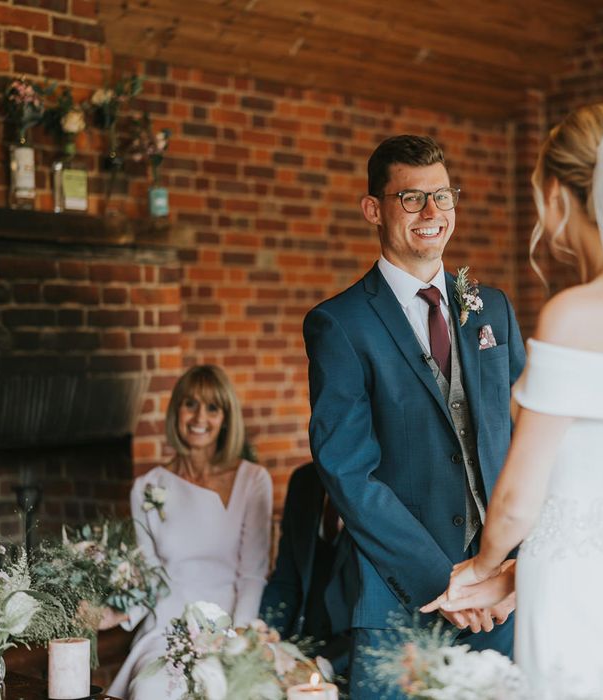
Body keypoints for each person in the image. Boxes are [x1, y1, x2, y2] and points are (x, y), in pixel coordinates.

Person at [423, 103, 603, 699]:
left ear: (557, 194)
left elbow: (520, 499)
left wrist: (482, 566)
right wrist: (515, 576)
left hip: (577, 591)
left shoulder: (574, 316)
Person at [303, 134, 527, 698]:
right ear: (373, 210)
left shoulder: (491, 307)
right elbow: (349, 473)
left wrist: (508, 570)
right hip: (396, 600)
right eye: (411, 199)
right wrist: (445, 583)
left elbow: (526, 438)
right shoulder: (340, 324)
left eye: (443, 195)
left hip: (501, 595)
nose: (432, 213)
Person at [106, 365, 273, 700]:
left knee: (223, 689)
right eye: (190, 404)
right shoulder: (147, 487)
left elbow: (252, 576)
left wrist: (238, 641)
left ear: (226, 417)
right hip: (167, 626)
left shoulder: (252, 481)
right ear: (176, 411)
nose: (200, 417)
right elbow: (150, 574)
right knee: (152, 689)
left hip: (228, 626)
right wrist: (119, 612)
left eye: (213, 407)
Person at [259, 461, 359, 685]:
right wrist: (265, 636)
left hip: (357, 658)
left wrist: (326, 664)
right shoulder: (303, 480)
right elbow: (286, 579)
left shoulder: (388, 478)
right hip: (299, 649)